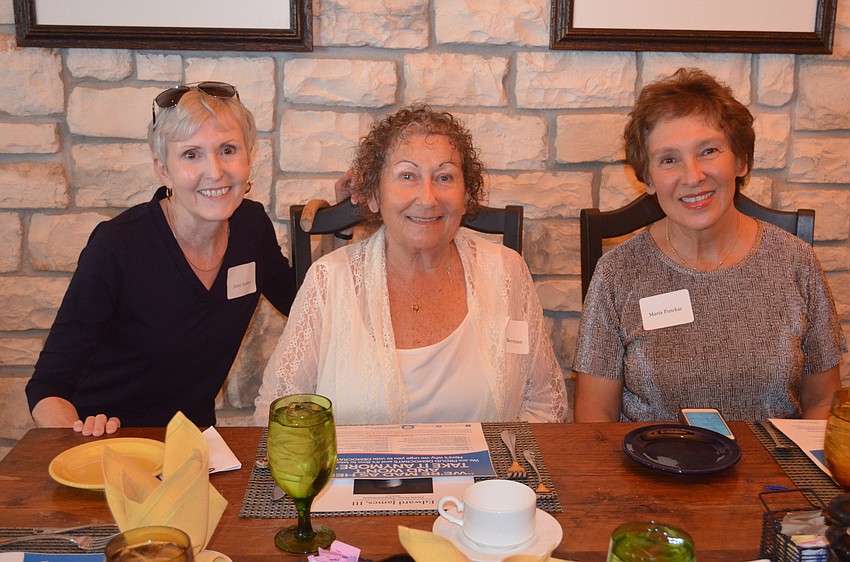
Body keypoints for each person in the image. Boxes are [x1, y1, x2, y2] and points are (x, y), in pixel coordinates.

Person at [26, 81, 319, 436]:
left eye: (228, 150)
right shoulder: (118, 245)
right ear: (163, 170)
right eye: (191, 154)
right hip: (109, 444)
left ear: (249, 158)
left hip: (194, 448)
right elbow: (47, 388)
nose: (215, 171)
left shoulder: (251, 227)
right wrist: (79, 444)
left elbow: (305, 305)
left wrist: (343, 226)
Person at [255, 105, 568, 425]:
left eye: (444, 177)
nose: (428, 198)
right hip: (356, 475)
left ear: (465, 198)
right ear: (374, 196)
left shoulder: (505, 272)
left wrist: (506, 470)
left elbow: (544, 401)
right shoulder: (328, 280)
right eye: (407, 176)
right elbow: (278, 412)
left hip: (484, 476)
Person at [573, 68, 846, 422]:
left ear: (741, 161)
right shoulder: (617, 273)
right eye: (669, 159)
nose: (692, 176)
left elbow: (823, 402)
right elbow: (595, 415)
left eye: (708, 151)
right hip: (653, 472)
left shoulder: (796, 263)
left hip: (773, 472)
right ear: (649, 179)